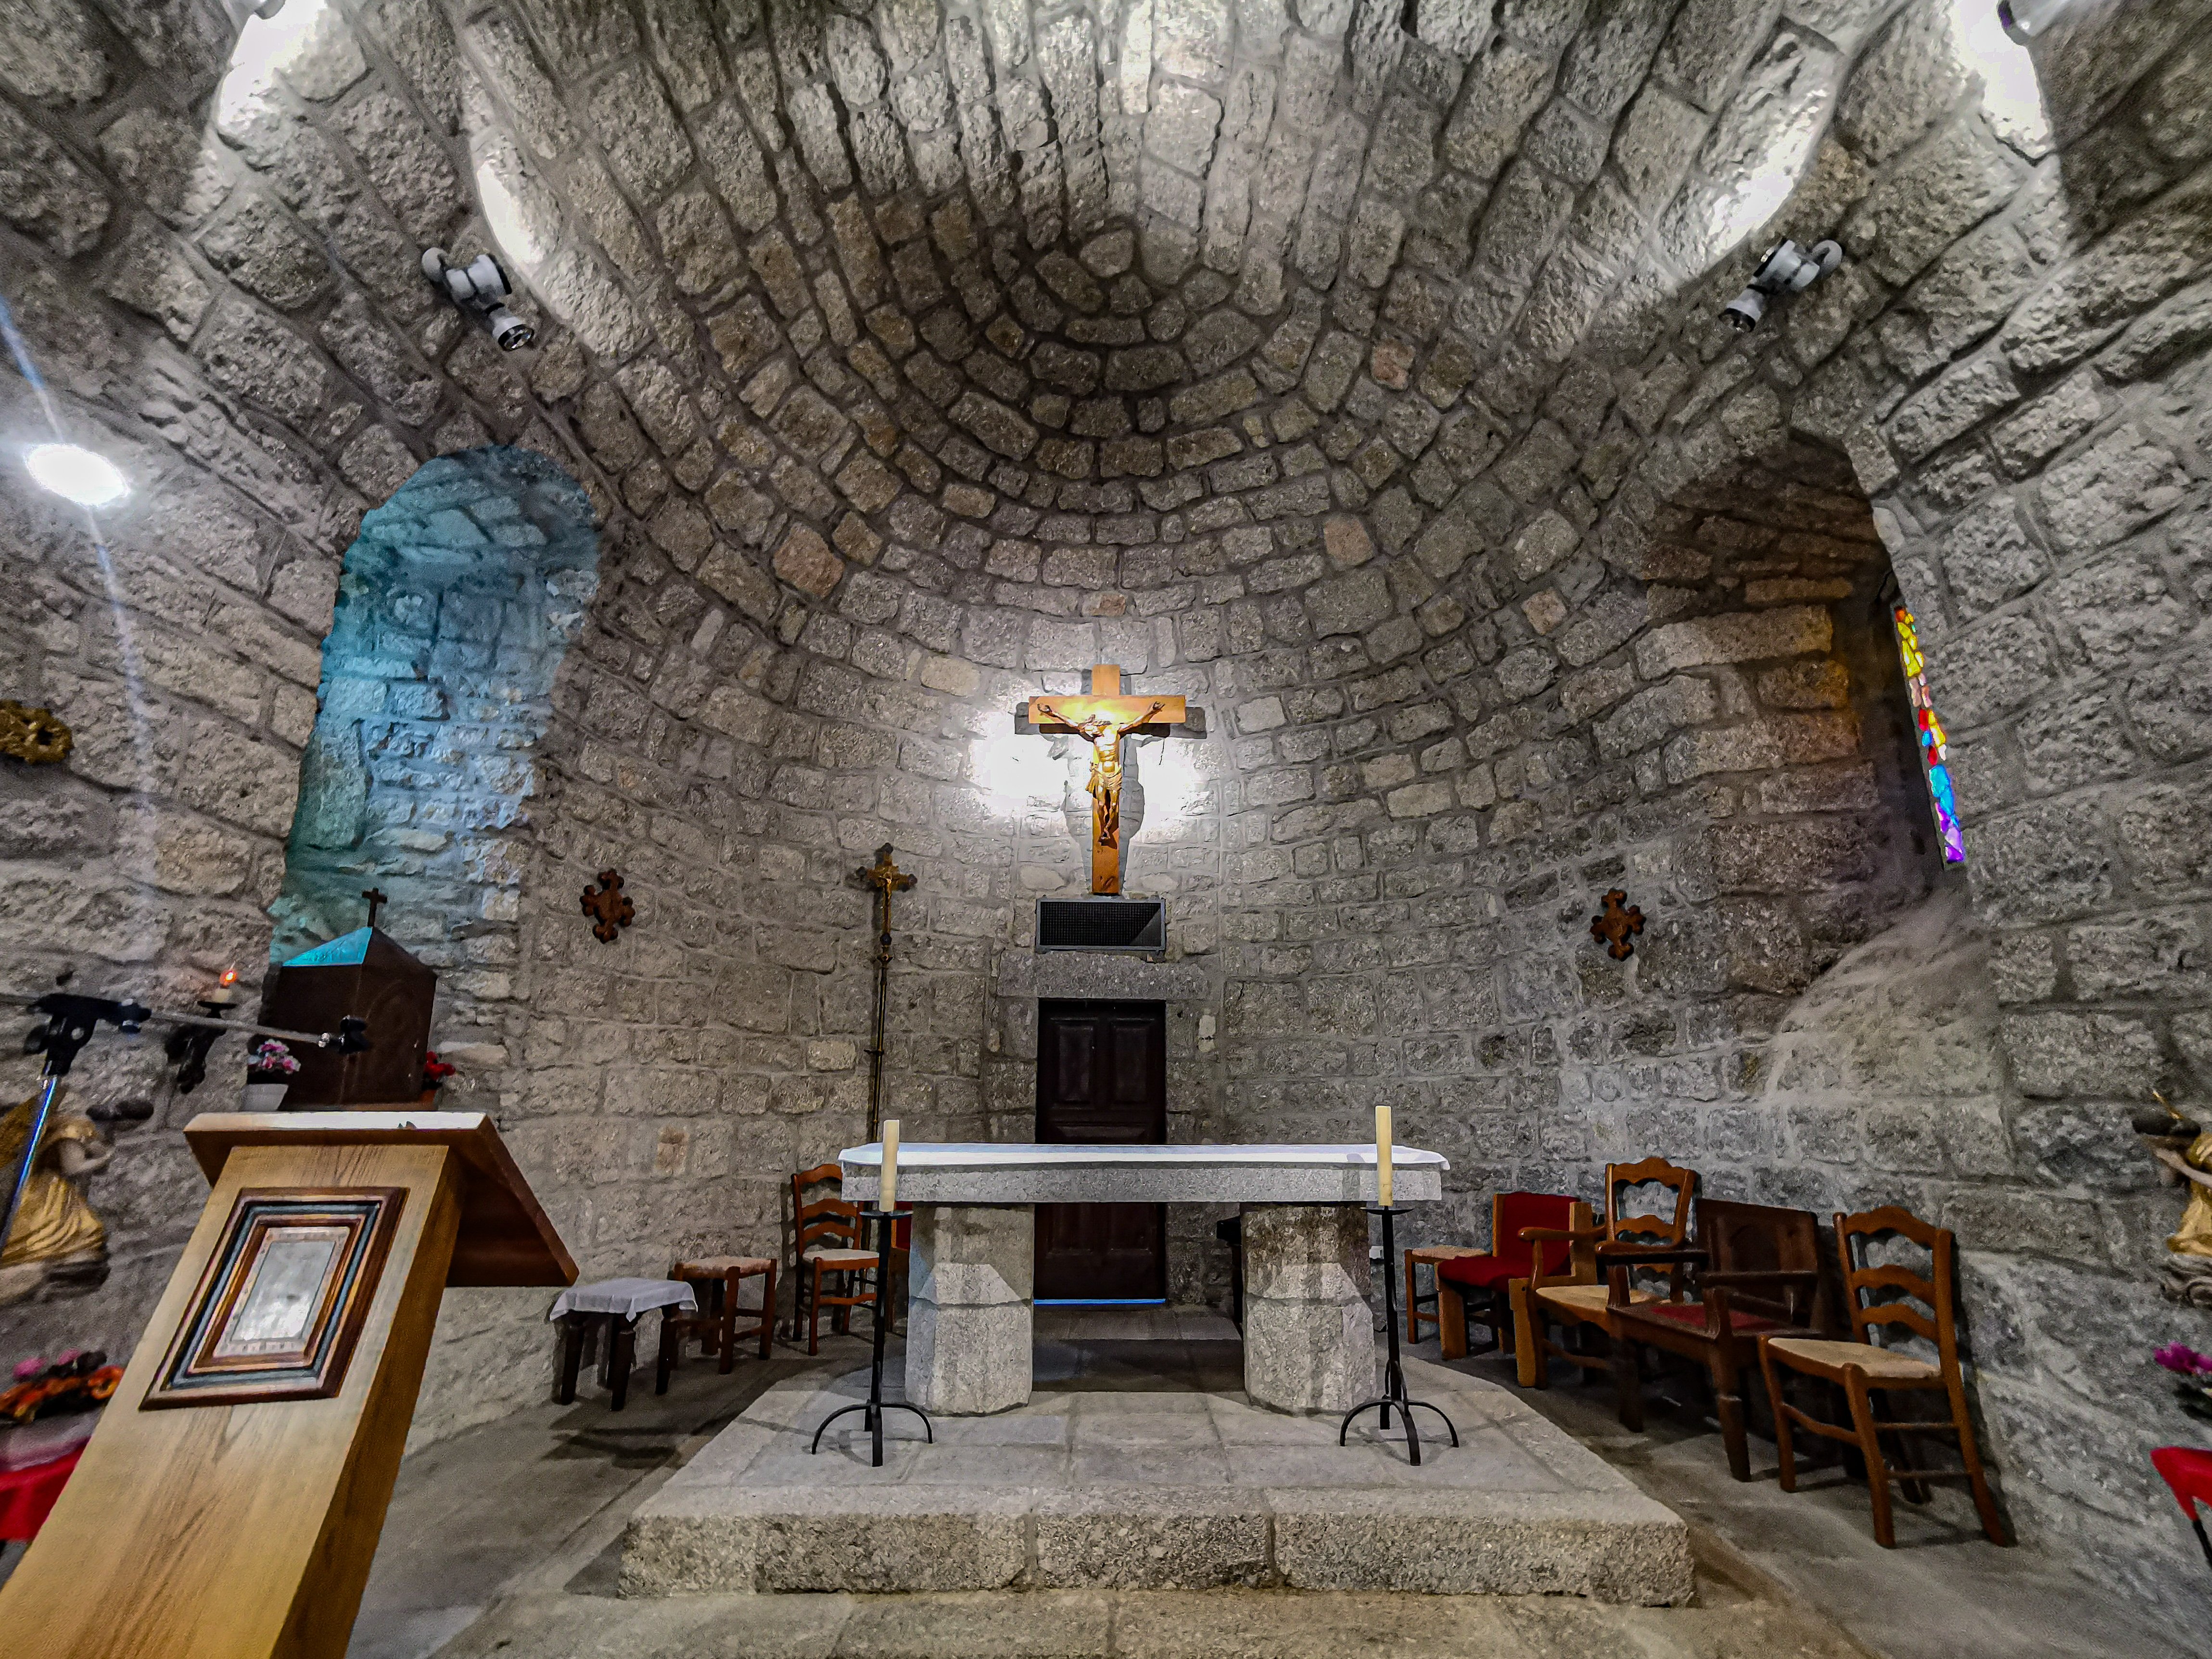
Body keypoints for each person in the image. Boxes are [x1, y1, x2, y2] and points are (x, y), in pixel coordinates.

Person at [0, 1090, 112, 1307]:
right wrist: (106, 1155)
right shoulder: (72, 1128)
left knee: (65, 1233)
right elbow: (74, 1167)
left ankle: (62, 1260)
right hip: (39, 1190)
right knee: (55, 1231)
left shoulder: (67, 1127)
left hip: (40, 1187)